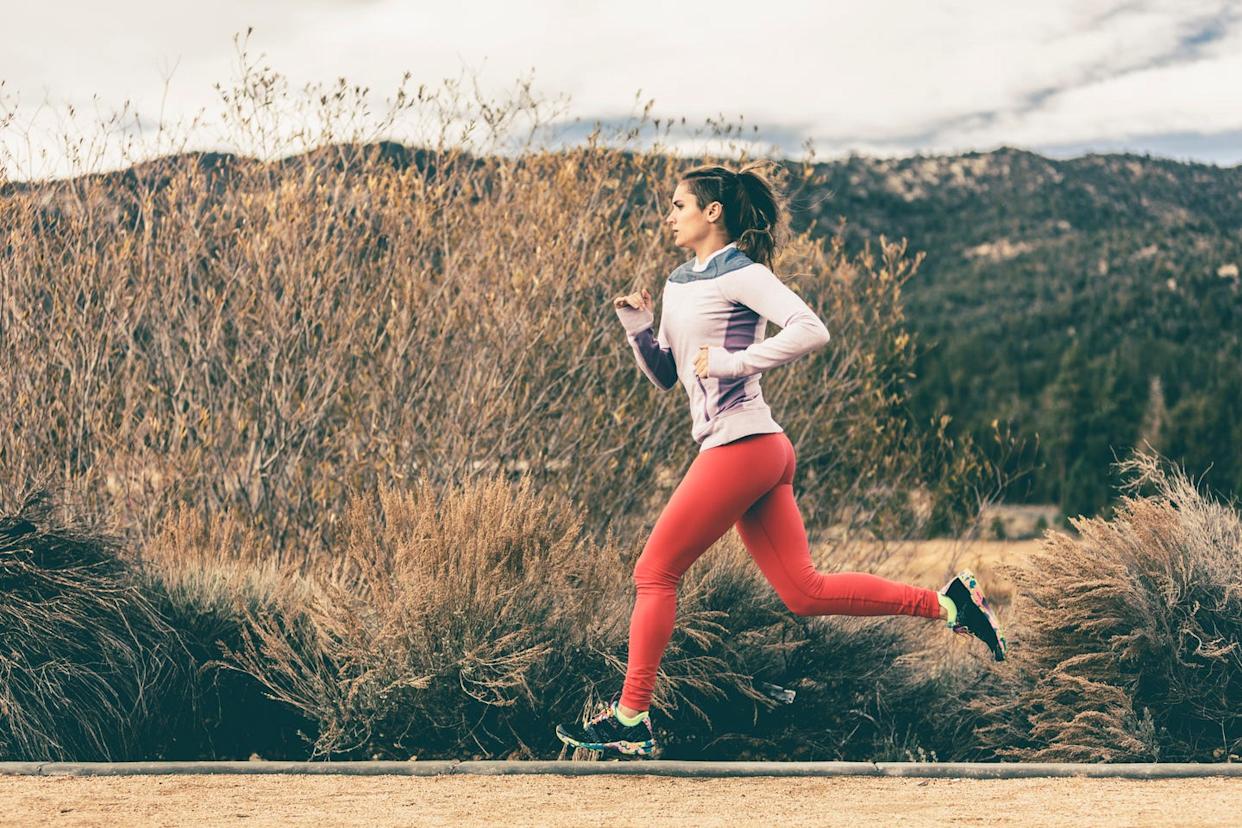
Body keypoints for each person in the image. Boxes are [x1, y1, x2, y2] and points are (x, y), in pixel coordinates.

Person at [555, 162, 1006, 759]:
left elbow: (810, 329)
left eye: (679, 205)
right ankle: (952, 604)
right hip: (752, 449)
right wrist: (637, 325)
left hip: (742, 445)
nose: (669, 216)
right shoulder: (677, 282)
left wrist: (736, 362)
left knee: (654, 573)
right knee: (805, 592)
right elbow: (667, 375)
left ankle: (631, 717)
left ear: (713, 213)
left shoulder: (740, 272)